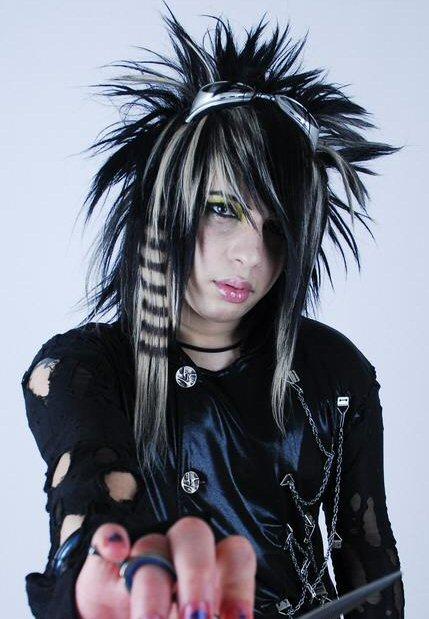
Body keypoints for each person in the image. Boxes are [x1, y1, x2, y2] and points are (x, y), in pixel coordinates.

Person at [20, 4, 405, 618]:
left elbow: (370, 558)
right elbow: (87, 505)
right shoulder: (81, 370)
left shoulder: (334, 370)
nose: (251, 254)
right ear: (164, 208)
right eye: (223, 208)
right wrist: (97, 577)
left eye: (277, 228)